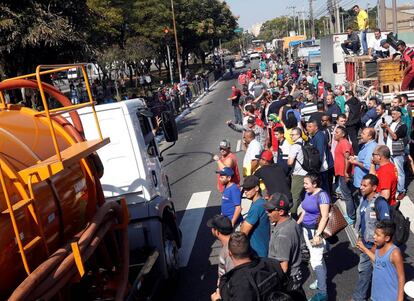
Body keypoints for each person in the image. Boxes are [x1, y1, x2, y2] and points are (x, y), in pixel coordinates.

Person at [211, 232, 287, 301]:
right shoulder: (272, 263)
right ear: (250, 249)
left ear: (230, 253)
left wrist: (217, 300)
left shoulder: (235, 284)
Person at [352, 174, 390, 301]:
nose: (361, 187)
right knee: (364, 272)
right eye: (361, 184)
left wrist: (375, 245)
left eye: (365, 185)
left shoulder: (380, 202)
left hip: (376, 247)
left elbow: (386, 226)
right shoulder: (363, 199)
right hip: (365, 244)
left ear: (374, 187)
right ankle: (359, 297)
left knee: (380, 274)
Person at [297, 173, 330, 301]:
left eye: (306, 183)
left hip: (315, 231)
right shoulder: (308, 193)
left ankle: (323, 293)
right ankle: (321, 279)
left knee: (315, 261)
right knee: (318, 258)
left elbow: (325, 217)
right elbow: (305, 210)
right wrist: (297, 224)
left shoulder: (322, 196)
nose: (304, 186)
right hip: (306, 229)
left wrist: (318, 235)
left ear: (315, 184)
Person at [356, 220, 405, 301]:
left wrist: (400, 299)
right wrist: (364, 249)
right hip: (376, 295)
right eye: (375, 233)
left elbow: (401, 277)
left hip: (389, 297)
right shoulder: (378, 247)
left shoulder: (395, 253)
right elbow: (378, 261)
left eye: (378, 235)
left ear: (387, 238)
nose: (374, 236)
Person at [265, 193, 304, 293]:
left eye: (270, 210)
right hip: (296, 275)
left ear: (281, 211)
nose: (267, 213)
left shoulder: (283, 235)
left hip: (287, 279)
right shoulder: (292, 222)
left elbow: (283, 267)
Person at [240, 175, 270, 257]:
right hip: (261, 249)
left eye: (249, 189)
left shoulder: (257, 207)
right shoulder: (260, 202)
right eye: (245, 189)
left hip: (257, 252)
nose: (245, 191)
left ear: (256, 188)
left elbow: (243, 232)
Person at [382, 107, 407, 200]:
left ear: (399, 114)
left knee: (400, 172)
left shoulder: (402, 125)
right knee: (392, 172)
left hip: (397, 152)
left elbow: (395, 136)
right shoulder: (391, 123)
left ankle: (401, 190)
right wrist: (384, 129)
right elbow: (386, 136)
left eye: (394, 114)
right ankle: (394, 188)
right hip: (390, 151)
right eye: (392, 114)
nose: (392, 116)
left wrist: (387, 127)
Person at [333, 126, 355, 224]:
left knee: (347, 195)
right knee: (346, 193)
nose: (335, 134)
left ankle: (351, 216)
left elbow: (347, 158)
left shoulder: (344, 144)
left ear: (343, 134)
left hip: (344, 174)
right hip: (341, 173)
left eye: (337, 132)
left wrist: (346, 173)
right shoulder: (340, 142)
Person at [307, 119, 334, 195]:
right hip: (320, 167)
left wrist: (317, 167)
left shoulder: (320, 137)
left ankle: (327, 203)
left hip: (323, 167)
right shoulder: (313, 135)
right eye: (307, 126)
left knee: (324, 188)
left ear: (316, 127)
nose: (308, 128)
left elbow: (320, 153)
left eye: (310, 126)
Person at [207, 215, 234, 284]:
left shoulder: (229, 251)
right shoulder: (236, 242)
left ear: (217, 232)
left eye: (212, 228)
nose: (211, 230)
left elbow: (234, 278)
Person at [349, 127, 377, 192]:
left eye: (363, 134)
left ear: (369, 136)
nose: (361, 135)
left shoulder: (371, 148)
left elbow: (368, 166)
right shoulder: (367, 145)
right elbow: (363, 159)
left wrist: (356, 162)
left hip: (364, 183)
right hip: (361, 181)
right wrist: (356, 158)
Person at [288, 127, 308, 217]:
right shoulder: (305, 142)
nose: (291, 136)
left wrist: (288, 160)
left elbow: (290, 162)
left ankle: (293, 215)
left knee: (294, 196)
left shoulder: (295, 146)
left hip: (298, 174)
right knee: (305, 194)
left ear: (299, 135)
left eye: (293, 134)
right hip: (307, 172)